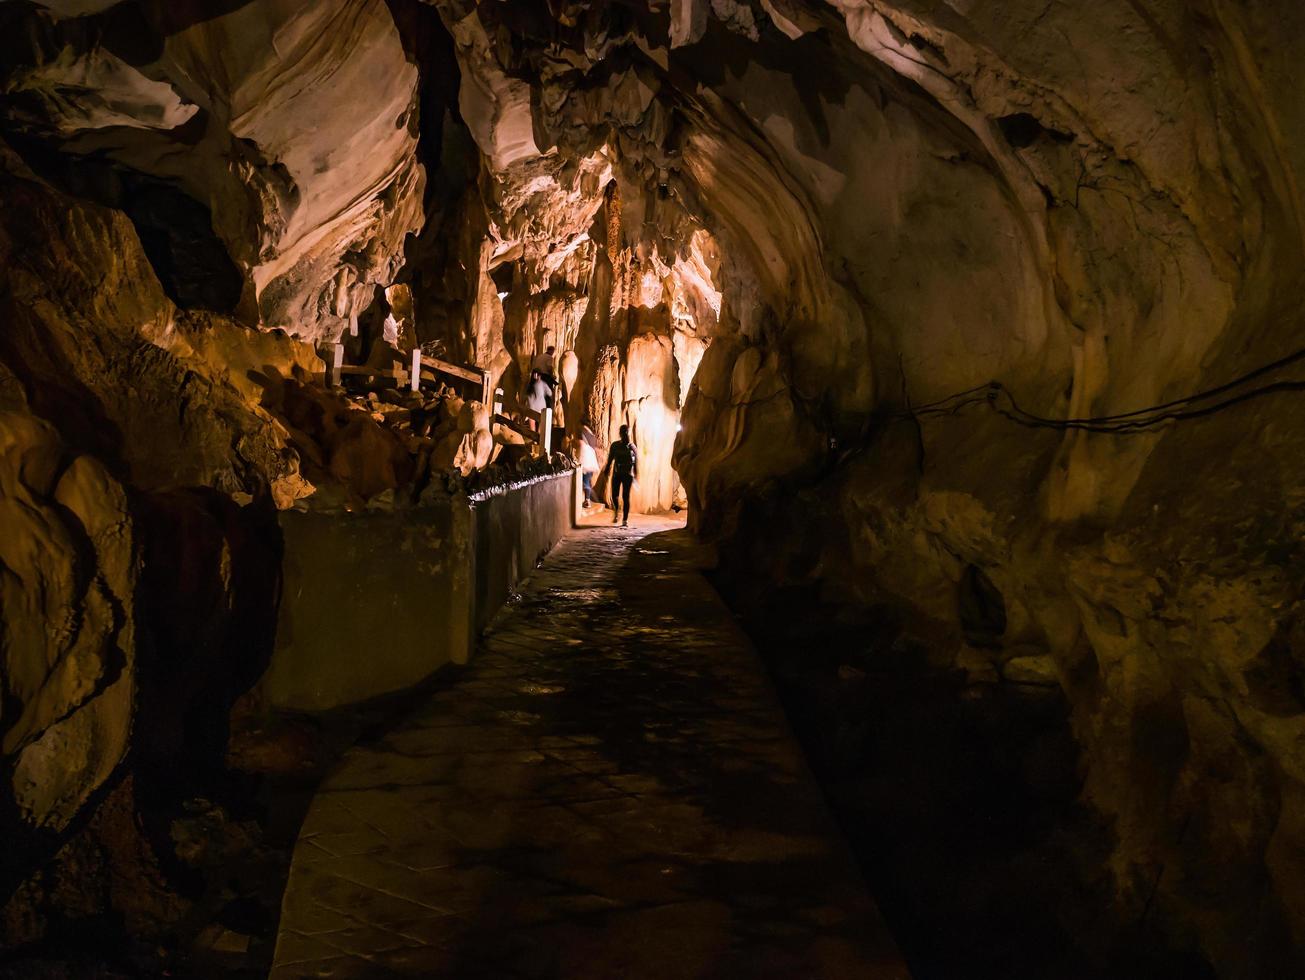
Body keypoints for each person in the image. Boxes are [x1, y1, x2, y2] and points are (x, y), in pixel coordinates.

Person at [602, 424, 638, 527]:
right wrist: (607, 468)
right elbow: (610, 459)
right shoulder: (615, 446)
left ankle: (625, 519)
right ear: (620, 433)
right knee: (614, 495)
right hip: (617, 473)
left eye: (627, 432)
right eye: (624, 432)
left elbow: (636, 461)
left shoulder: (632, 446)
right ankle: (616, 510)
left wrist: (636, 472)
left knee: (626, 496)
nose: (626, 434)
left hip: (628, 474)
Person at [579, 435, 599, 508]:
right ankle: (589, 499)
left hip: (586, 468)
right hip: (591, 468)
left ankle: (588, 501)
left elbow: (580, 458)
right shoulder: (590, 448)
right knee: (587, 483)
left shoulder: (582, 446)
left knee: (586, 484)